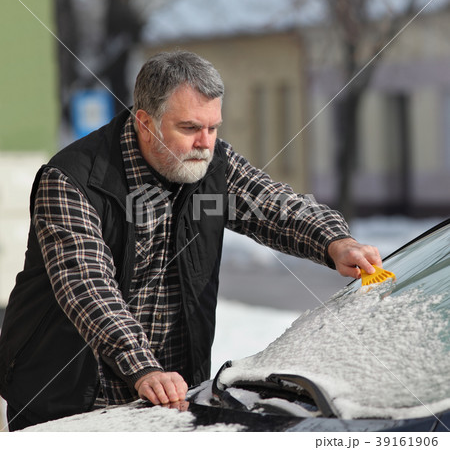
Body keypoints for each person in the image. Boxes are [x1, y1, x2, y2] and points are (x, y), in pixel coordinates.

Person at [0, 51, 381, 431]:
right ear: (145, 122)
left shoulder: (212, 166)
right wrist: (143, 367)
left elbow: (274, 206)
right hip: (65, 400)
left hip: (173, 399)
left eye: (213, 127)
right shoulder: (71, 180)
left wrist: (334, 241)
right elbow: (86, 285)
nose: (206, 142)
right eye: (189, 127)